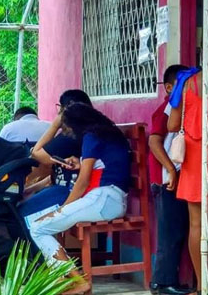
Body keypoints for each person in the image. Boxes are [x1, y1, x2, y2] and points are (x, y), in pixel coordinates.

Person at [29, 103, 130, 295]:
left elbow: (83, 182)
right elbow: (106, 165)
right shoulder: (106, 132)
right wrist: (79, 163)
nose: (67, 132)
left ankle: (78, 282)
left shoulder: (91, 137)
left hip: (104, 199)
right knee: (41, 227)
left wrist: (63, 209)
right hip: (111, 198)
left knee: (38, 228)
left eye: (66, 127)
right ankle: (65, 280)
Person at [149, 65, 200, 295]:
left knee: (179, 229)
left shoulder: (181, 102)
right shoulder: (166, 108)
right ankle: (162, 282)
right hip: (167, 179)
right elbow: (154, 141)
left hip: (178, 175)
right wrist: (170, 169)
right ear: (170, 87)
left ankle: (171, 280)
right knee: (170, 231)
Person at [18, 90, 92, 218]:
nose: (58, 113)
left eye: (60, 108)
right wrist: (33, 188)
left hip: (68, 192)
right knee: (20, 206)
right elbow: (57, 175)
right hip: (63, 187)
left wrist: (55, 125)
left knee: (20, 214)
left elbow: (37, 155)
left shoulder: (72, 136)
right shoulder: (76, 133)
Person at [168, 69, 203, 295]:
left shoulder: (187, 82)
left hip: (194, 156)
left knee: (196, 224)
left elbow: (172, 124)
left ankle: (201, 285)